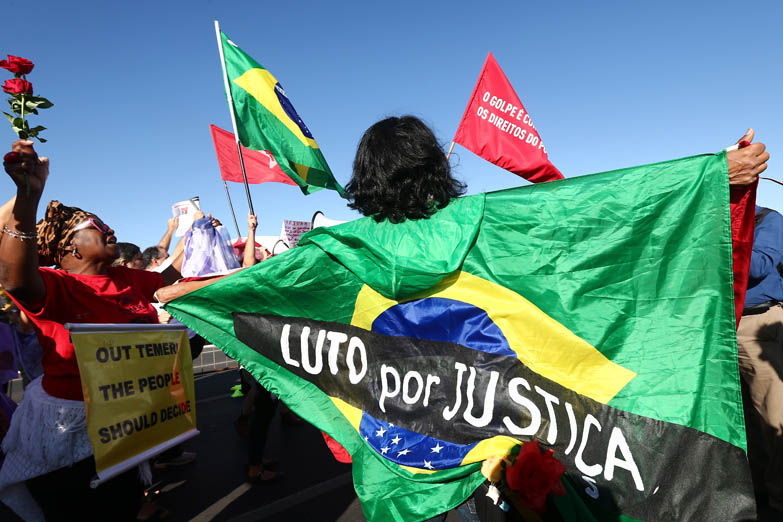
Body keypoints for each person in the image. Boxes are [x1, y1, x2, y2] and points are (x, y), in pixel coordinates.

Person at [0, 139, 183, 521]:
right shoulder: (56, 285)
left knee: (121, 504)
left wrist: (245, 271)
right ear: (72, 246)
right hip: (70, 431)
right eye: (97, 225)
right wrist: (27, 200)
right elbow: (14, 281)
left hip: (125, 422)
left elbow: (175, 283)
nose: (110, 227)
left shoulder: (124, 277)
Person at [737, 205, 783, 516]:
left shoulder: (765, 218)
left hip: (757, 325)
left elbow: (760, 265)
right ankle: (751, 494)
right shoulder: (703, 217)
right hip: (714, 327)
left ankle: (778, 502)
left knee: (773, 417)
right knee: (739, 420)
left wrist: (712, 242)